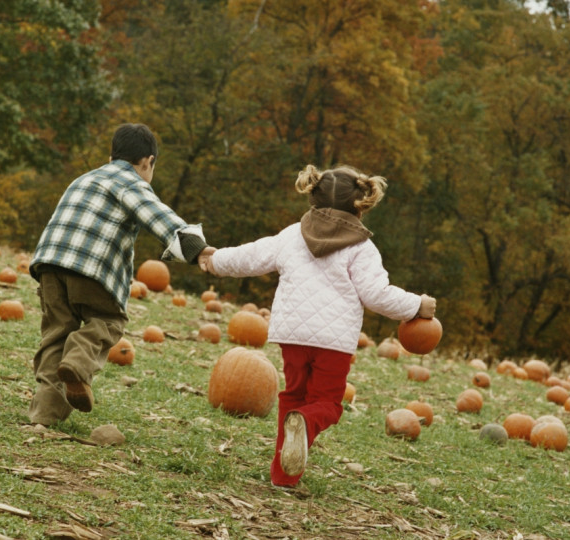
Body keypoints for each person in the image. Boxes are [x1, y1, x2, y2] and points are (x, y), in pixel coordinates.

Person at [202, 164, 436, 487]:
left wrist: (214, 260)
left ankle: (284, 475)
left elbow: (251, 256)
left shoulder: (291, 236)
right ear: (359, 205)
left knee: (293, 395)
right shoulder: (362, 248)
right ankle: (305, 423)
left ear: (314, 198)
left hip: (292, 335)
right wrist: (416, 305)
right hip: (334, 342)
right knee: (327, 405)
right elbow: (376, 295)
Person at [27, 123, 215, 426]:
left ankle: (44, 417)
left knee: (56, 335)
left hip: (49, 264)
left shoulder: (84, 179)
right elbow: (159, 217)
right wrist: (196, 247)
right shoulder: (130, 182)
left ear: (111, 154)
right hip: (91, 269)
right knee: (109, 321)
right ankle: (78, 362)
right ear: (148, 161)